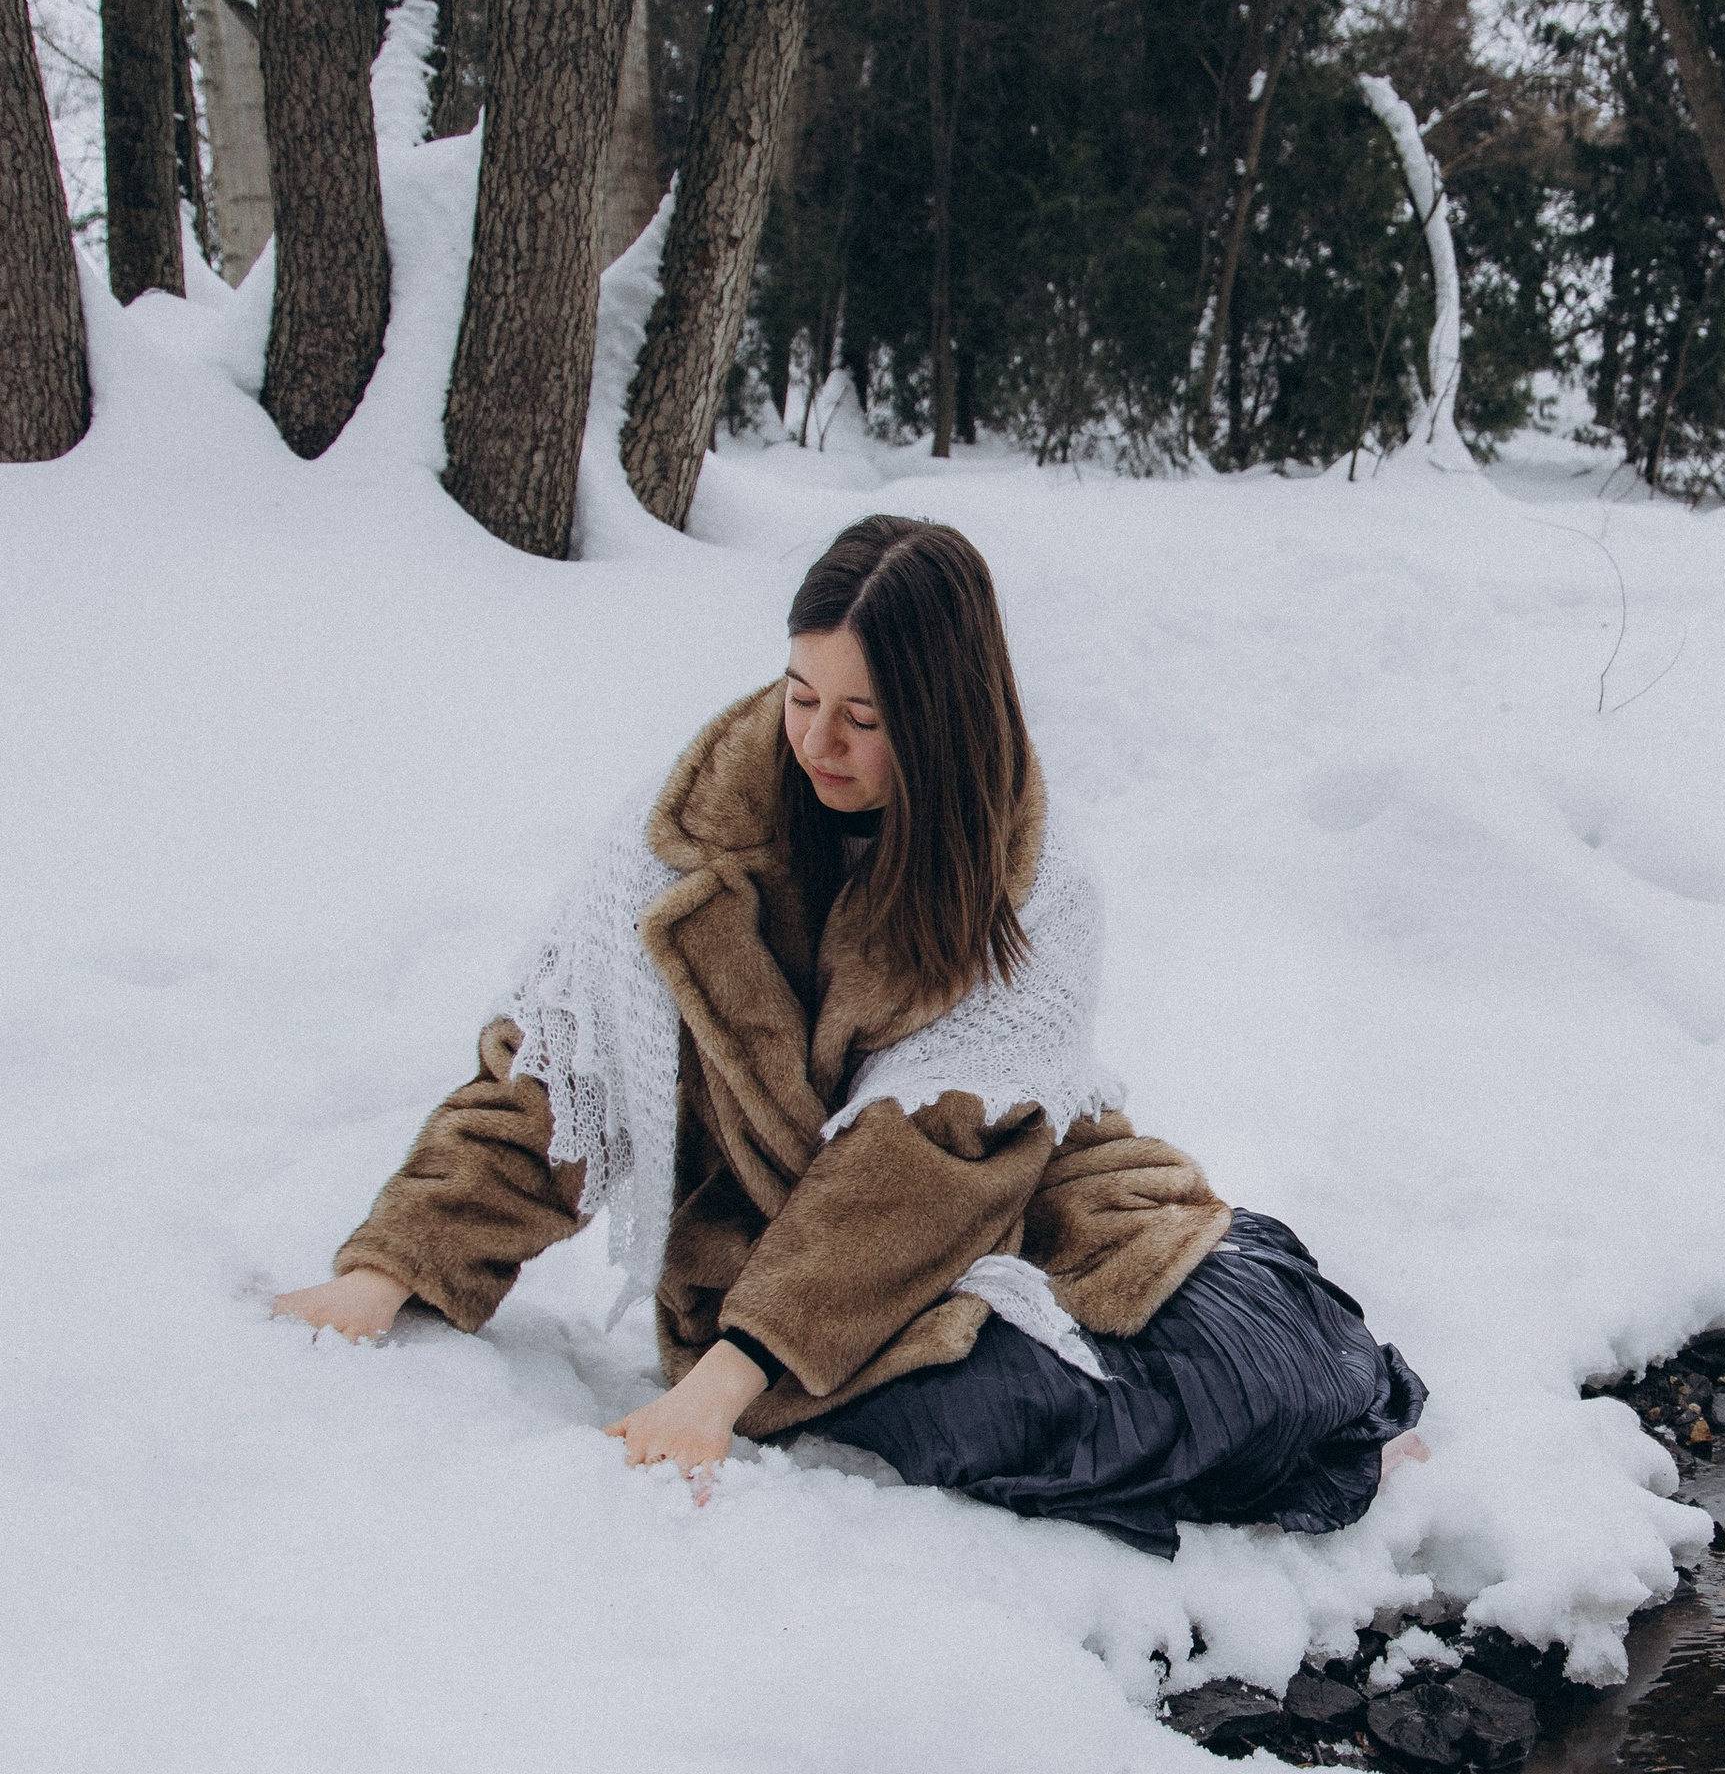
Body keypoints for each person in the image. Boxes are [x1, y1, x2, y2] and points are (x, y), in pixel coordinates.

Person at [276, 514, 1424, 1556]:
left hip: (999, 1184)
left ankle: (1327, 1391)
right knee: (994, 1413)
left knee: (1228, 1352)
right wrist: (398, 1263)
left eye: (863, 720)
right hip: (778, 1260)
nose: (817, 740)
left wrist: (727, 1379)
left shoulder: (1033, 877)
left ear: (940, 721)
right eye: (799, 695)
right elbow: (563, 1068)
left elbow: (921, 1166)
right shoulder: (684, 837)